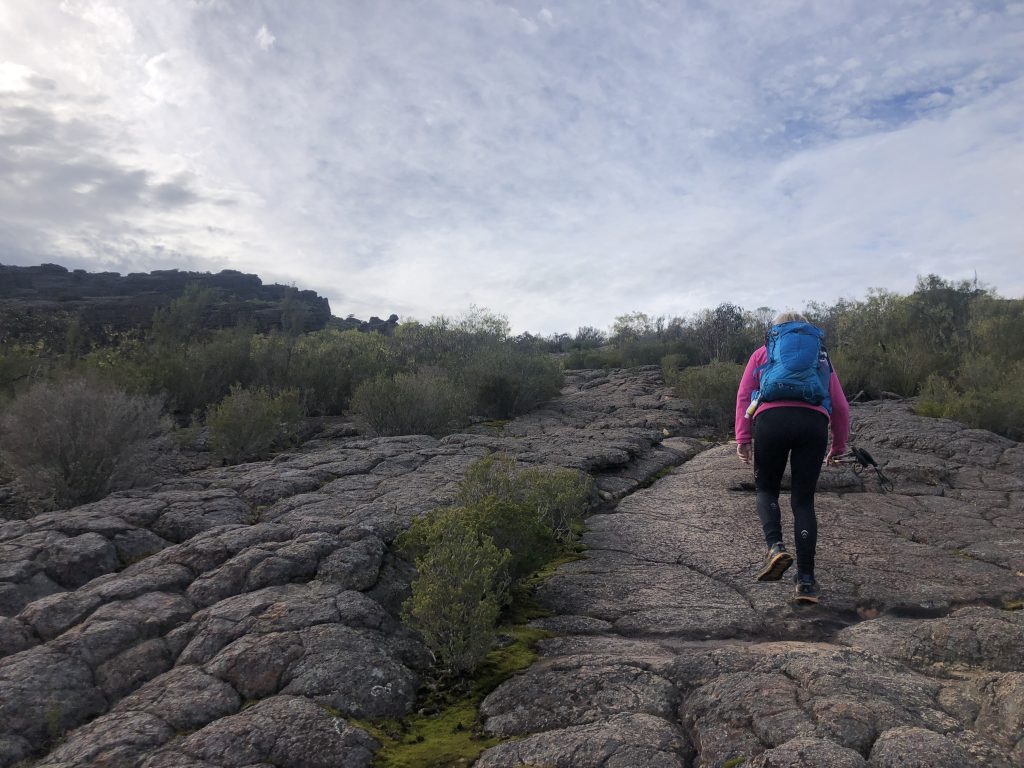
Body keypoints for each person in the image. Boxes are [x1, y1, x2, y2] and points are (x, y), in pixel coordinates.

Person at [734, 312, 849, 604]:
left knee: (766, 489)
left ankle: (775, 547)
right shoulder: (820, 358)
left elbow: (745, 396)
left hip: (771, 421)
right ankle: (807, 582)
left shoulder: (763, 353)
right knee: (803, 501)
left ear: (777, 331)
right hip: (813, 425)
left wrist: (743, 437)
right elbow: (840, 406)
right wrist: (838, 447)